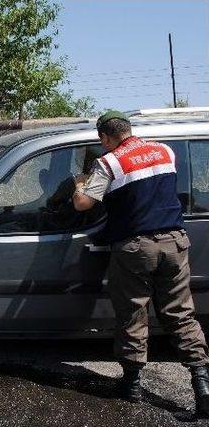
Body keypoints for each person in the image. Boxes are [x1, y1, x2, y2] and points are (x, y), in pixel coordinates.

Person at [71, 110, 209, 415]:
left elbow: (84, 204)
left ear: (104, 137)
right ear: (129, 129)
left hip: (136, 247)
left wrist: (80, 184)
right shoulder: (164, 151)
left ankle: (131, 386)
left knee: (133, 313)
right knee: (181, 315)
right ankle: (202, 386)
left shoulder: (108, 163)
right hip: (175, 242)